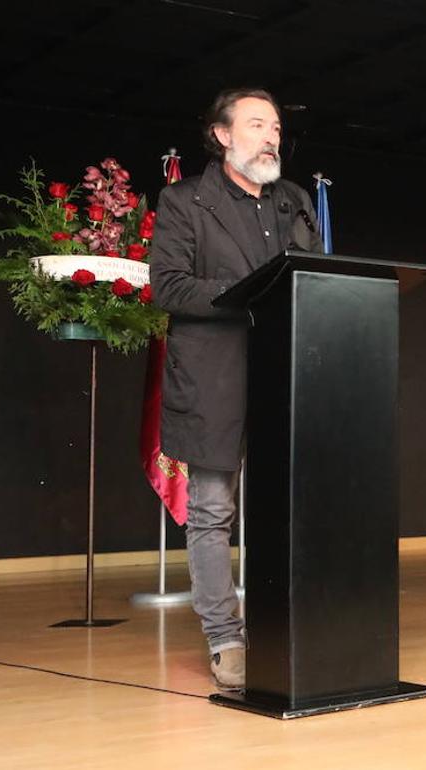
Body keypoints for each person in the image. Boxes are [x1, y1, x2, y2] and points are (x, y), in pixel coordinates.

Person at [150, 87, 324, 690]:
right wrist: (245, 292)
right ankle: (226, 637)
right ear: (222, 135)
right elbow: (168, 287)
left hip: (284, 373)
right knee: (213, 510)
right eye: (256, 125)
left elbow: (314, 276)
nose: (271, 136)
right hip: (213, 376)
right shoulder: (184, 200)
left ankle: (286, 627)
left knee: (289, 510)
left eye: (275, 126)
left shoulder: (294, 201)